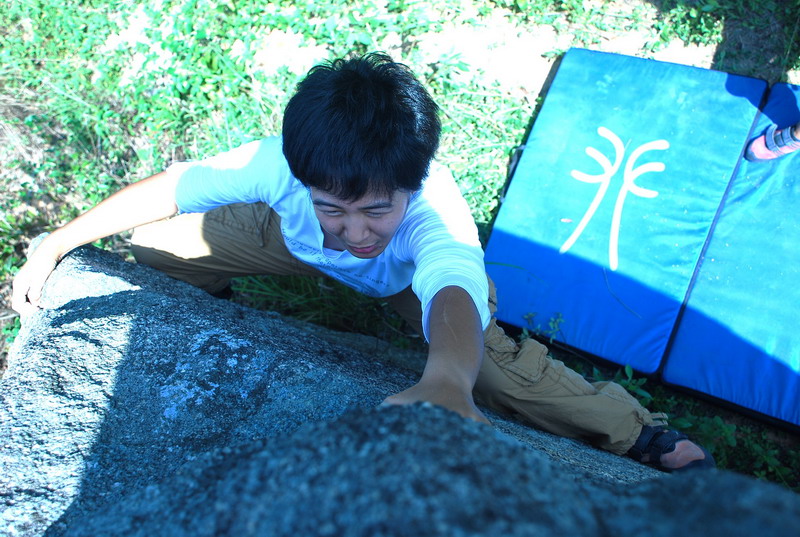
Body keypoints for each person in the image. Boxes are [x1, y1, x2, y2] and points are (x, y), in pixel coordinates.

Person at [11, 53, 713, 472]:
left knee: (496, 372)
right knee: (161, 243)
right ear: (301, 175)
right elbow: (173, 188)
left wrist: (446, 379)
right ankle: (218, 312)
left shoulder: (435, 212)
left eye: (376, 210)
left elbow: (454, 290)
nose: (354, 232)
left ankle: (634, 431)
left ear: (413, 182)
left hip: (408, 286)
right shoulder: (278, 166)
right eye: (333, 207)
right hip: (286, 238)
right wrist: (59, 239)